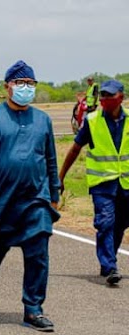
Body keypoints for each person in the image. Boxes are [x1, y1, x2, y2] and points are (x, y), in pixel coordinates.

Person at [0, 60, 61, 332]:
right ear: (7, 87)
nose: (25, 88)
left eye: (30, 84)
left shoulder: (42, 120)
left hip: (35, 200)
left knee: (38, 253)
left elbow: (51, 160)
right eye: (20, 83)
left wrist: (53, 193)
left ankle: (33, 309)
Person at [59, 79, 129, 286]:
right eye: (103, 96)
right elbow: (75, 149)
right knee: (105, 222)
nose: (105, 100)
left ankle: (109, 258)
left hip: (125, 183)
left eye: (110, 96)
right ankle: (110, 267)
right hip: (102, 183)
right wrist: (61, 176)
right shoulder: (92, 120)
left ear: (121, 98)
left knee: (120, 225)